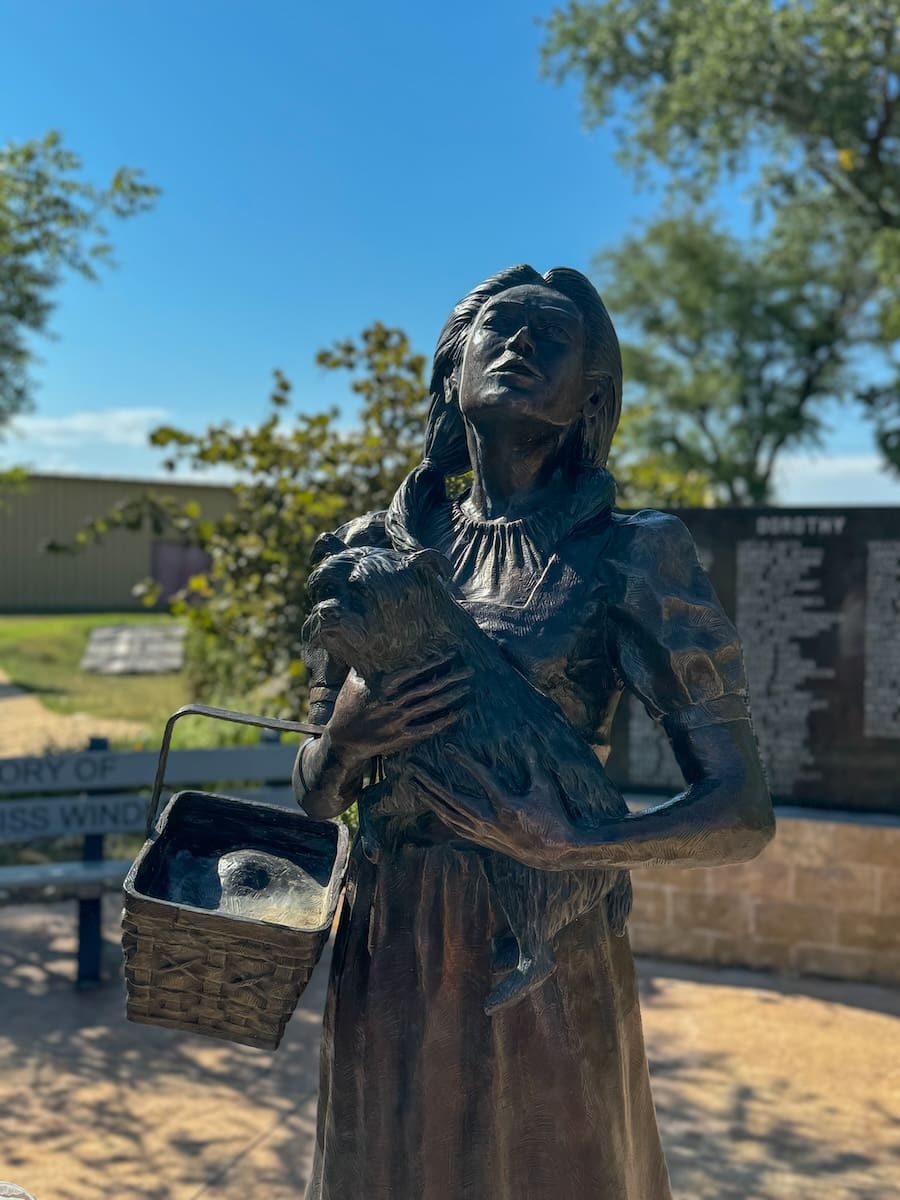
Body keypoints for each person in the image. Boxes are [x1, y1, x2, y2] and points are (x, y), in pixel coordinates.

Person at [294, 265, 774, 1199]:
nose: (520, 344)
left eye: (551, 337)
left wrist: (580, 842)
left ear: (593, 393)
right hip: (390, 929)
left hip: (537, 940)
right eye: (500, 329)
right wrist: (346, 740)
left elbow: (742, 808)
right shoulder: (374, 550)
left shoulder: (633, 551)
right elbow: (314, 795)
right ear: (450, 376)